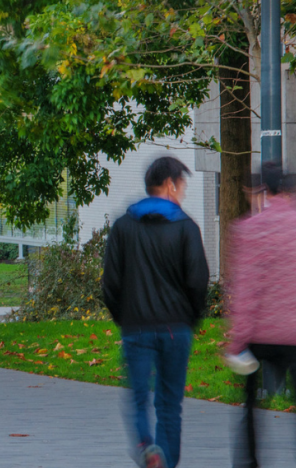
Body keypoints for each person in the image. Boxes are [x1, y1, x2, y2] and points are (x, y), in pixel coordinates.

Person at [102, 156, 209, 468]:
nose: (184, 192)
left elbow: (111, 282)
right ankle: (166, 461)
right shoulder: (186, 228)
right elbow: (198, 281)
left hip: (136, 327)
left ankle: (146, 447)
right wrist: (191, 319)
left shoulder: (123, 227)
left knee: (138, 398)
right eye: (183, 185)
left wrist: (124, 318)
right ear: (170, 184)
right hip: (176, 328)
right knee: (169, 405)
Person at [226, 161, 296, 468]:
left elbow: (246, 288)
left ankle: (249, 462)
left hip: (260, 333)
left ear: (263, 189)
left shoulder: (249, 229)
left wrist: (238, 339)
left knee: (250, 403)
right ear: (293, 189)